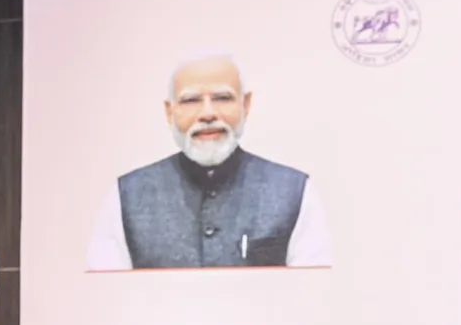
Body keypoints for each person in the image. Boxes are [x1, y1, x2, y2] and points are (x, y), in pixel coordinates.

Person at [85, 50, 333, 270]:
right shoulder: (126, 195)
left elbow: (310, 300)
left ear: (245, 105)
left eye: (222, 98)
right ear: (169, 112)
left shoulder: (295, 191)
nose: (207, 113)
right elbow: (108, 300)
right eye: (191, 100)